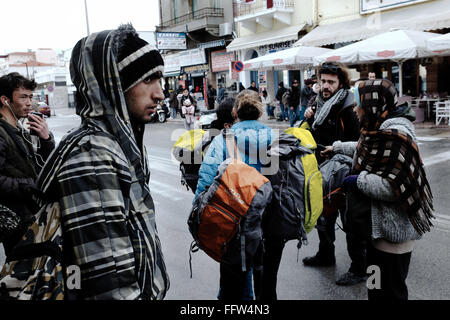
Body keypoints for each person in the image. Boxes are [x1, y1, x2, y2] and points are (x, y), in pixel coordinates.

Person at [36, 24, 170, 299]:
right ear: (113, 85)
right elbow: (110, 286)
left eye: (160, 79)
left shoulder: (116, 144)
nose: (160, 93)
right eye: (148, 80)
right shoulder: (93, 155)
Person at [321, 79, 433, 300]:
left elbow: (393, 187)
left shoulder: (396, 133)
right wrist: (337, 148)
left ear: (372, 104)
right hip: (376, 232)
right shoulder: (378, 128)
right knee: (375, 287)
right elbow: (368, 147)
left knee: (390, 292)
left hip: (392, 236)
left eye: (358, 103)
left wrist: (357, 180)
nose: (354, 108)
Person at [194, 90, 273, 301]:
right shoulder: (274, 138)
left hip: (234, 221)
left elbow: (206, 181)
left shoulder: (223, 141)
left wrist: (197, 216)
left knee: (235, 283)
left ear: (234, 112)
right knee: (266, 280)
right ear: (261, 112)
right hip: (269, 221)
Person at [303, 62, 364, 286]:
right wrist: (309, 118)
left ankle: (360, 266)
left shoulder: (348, 107)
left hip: (345, 169)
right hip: (322, 168)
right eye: (323, 81)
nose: (326, 86)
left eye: (331, 82)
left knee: (350, 221)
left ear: (341, 83)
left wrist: (337, 150)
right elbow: (312, 133)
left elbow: (359, 142)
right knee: (323, 214)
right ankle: (325, 254)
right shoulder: (317, 103)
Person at [0, 72, 55, 256]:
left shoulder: (18, 128)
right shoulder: (2, 132)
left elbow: (40, 165)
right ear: (5, 100)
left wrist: (45, 139)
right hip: (15, 220)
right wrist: (30, 185)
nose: (29, 102)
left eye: (31, 97)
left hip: (30, 216)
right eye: (23, 97)